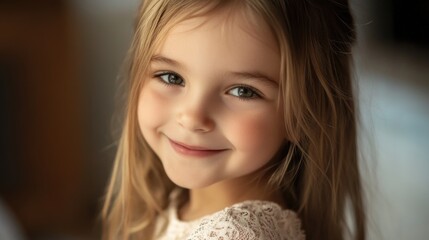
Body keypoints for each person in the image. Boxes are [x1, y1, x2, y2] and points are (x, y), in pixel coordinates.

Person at [102, 0, 366, 239]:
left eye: (243, 91)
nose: (193, 117)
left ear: (306, 112)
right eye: (171, 77)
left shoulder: (237, 235)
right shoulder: (183, 203)